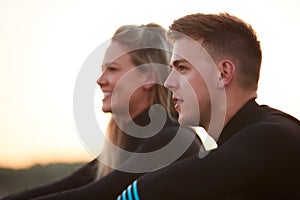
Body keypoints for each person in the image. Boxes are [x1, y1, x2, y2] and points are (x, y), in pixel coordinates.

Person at [2, 23, 201, 200]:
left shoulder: (172, 139)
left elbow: (95, 195)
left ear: (148, 77)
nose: (100, 80)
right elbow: (66, 186)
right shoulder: (121, 147)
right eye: (102, 69)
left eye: (112, 69)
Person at [117, 13, 300, 199]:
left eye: (182, 68)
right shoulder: (250, 142)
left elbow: (155, 190)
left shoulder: (273, 136)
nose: (168, 82)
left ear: (223, 73)